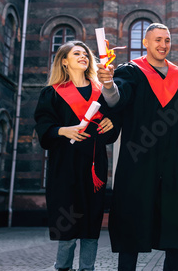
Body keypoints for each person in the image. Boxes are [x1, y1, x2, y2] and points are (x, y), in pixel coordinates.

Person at [97, 23, 178, 271]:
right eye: (158, 40)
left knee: (173, 224)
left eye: (167, 40)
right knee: (132, 218)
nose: (163, 45)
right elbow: (118, 99)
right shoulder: (131, 71)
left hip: (174, 162)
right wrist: (108, 85)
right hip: (139, 159)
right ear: (146, 42)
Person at [34, 41, 119, 271]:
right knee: (67, 226)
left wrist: (112, 123)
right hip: (64, 168)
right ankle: (62, 267)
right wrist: (63, 130)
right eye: (76, 53)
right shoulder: (51, 93)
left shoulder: (101, 91)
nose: (83, 57)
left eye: (85, 54)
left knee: (91, 223)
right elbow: (43, 127)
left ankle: (87, 268)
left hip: (94, 168)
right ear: (64, 61)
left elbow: (112, 127)